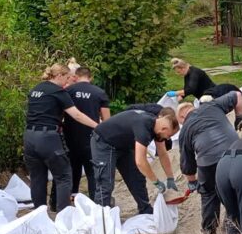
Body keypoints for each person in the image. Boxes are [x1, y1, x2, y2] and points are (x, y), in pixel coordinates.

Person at [24, 64, 99, 211]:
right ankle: (64, 214)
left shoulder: (35, 89)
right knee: (64, 176)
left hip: (29, 137)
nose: (67, 82)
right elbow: (76, 115)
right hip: (48, 138)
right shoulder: (58, 91)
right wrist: (97, 126)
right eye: (66, 78)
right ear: (59, 76)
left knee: (38, 178)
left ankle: (39, 215)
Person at [176, 91, 242, 234]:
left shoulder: (186, 129)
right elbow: (237, 95)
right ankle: (236, 231)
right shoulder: (213, 105)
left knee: (208, 194)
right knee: (236, 190)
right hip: (236, 153)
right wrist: (239, 117)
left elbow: (187, 164)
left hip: (209, 162)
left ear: (182, 117)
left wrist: (193, 183)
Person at [91, 107, 179, 214]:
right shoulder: (143, 127)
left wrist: (170, 177)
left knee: (136, 177)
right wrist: (156, 181)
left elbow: (163, 153)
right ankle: (101, 219)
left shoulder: (157, 127)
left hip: (123, 145)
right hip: (104, 142)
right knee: (105, 182)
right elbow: (140, 162)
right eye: (169, 135)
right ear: (164, 129)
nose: (168, 139)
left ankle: (145, 209)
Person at [63, 67, 111, 197]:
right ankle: (93, 201)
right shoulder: (99, 93)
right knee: (92, 172)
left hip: (70, 137)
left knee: (73, 169)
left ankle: (70, 199)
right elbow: (107, 120)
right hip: (91, 137)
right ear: (90, 77)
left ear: (75, 77)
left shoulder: (67, 91)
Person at [168, 58, 242, 105]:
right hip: (203, 97)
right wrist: (176, 101)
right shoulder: (187, 74)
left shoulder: (194, 73)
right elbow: (186, 91)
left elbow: (190, 89)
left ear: (183, 68)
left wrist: (175, 93)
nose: (178, 74)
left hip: (211, 96)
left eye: (178, 72)